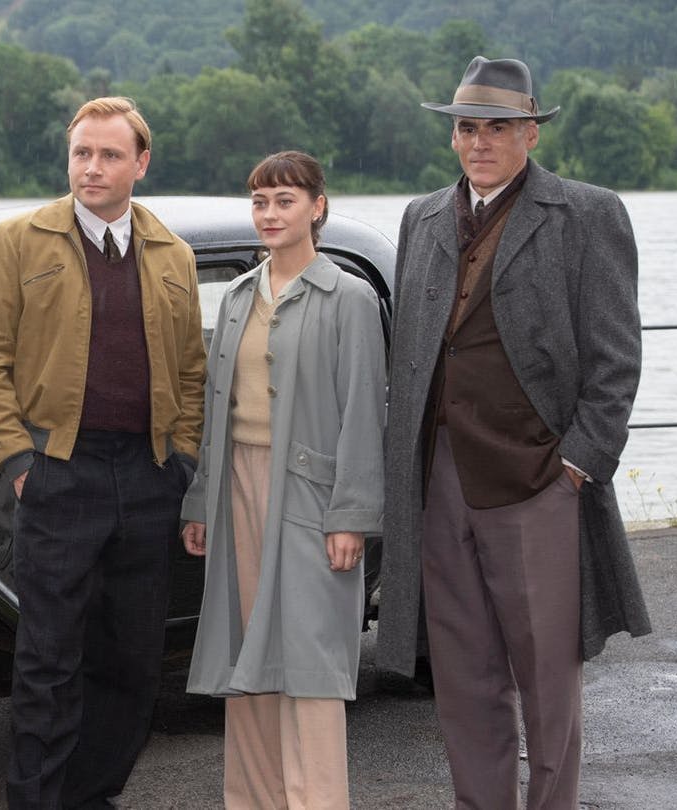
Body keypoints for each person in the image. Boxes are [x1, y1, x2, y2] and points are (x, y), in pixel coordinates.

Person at [376, 56, 652, 809]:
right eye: (467, 128)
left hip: (538, 481)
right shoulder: (421, 217)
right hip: (439, 477)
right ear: (453, 137)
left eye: (497, 127)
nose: (480, 142)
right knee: (463, 677)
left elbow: (616, 357)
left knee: (547, 679)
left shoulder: (587, 213)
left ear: (530, 132)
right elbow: (412, 353)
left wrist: (578, 463)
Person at [0, 96, 206, 810]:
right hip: (56, 473)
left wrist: (182, 460)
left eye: (109, 155)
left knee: (132, 661)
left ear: (141, 163)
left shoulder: (173, 254)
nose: (92, 168)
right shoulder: (17, 241)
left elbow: (192, 371)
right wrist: (18, 462)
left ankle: (92, 798)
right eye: (81, 154)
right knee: (47, 662)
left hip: (148, 477)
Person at [181, 150, 385, 809]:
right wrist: (200, 500)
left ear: (316, 207)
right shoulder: (238, 297)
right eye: (260, 201)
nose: (269, 213)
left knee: (309, 661)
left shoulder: (348, 297)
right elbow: (216, 407)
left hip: (312, 497)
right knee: (247, 656)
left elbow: (364, 412)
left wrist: (351, 515)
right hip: (234, 488)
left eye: (285, 200)